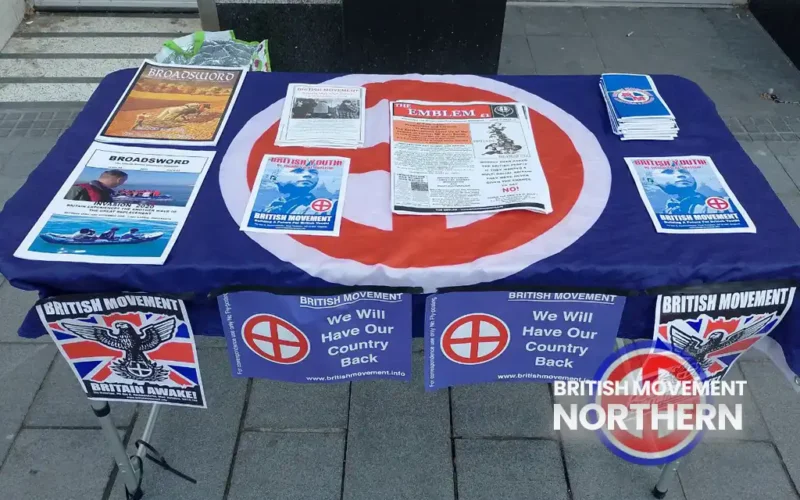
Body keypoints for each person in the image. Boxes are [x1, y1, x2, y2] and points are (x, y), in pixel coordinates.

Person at [650, 167, 733, 215]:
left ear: (693, 179)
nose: (681, 175)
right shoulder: (661, 212)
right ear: (653, 181)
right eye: (668, 172)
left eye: (685, 172)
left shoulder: (724, 202)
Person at [263, 165, 336, 216]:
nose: (308, 175)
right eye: (298, 171)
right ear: (275, 178)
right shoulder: (270, 206)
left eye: (313, 172)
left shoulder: (331, 205)